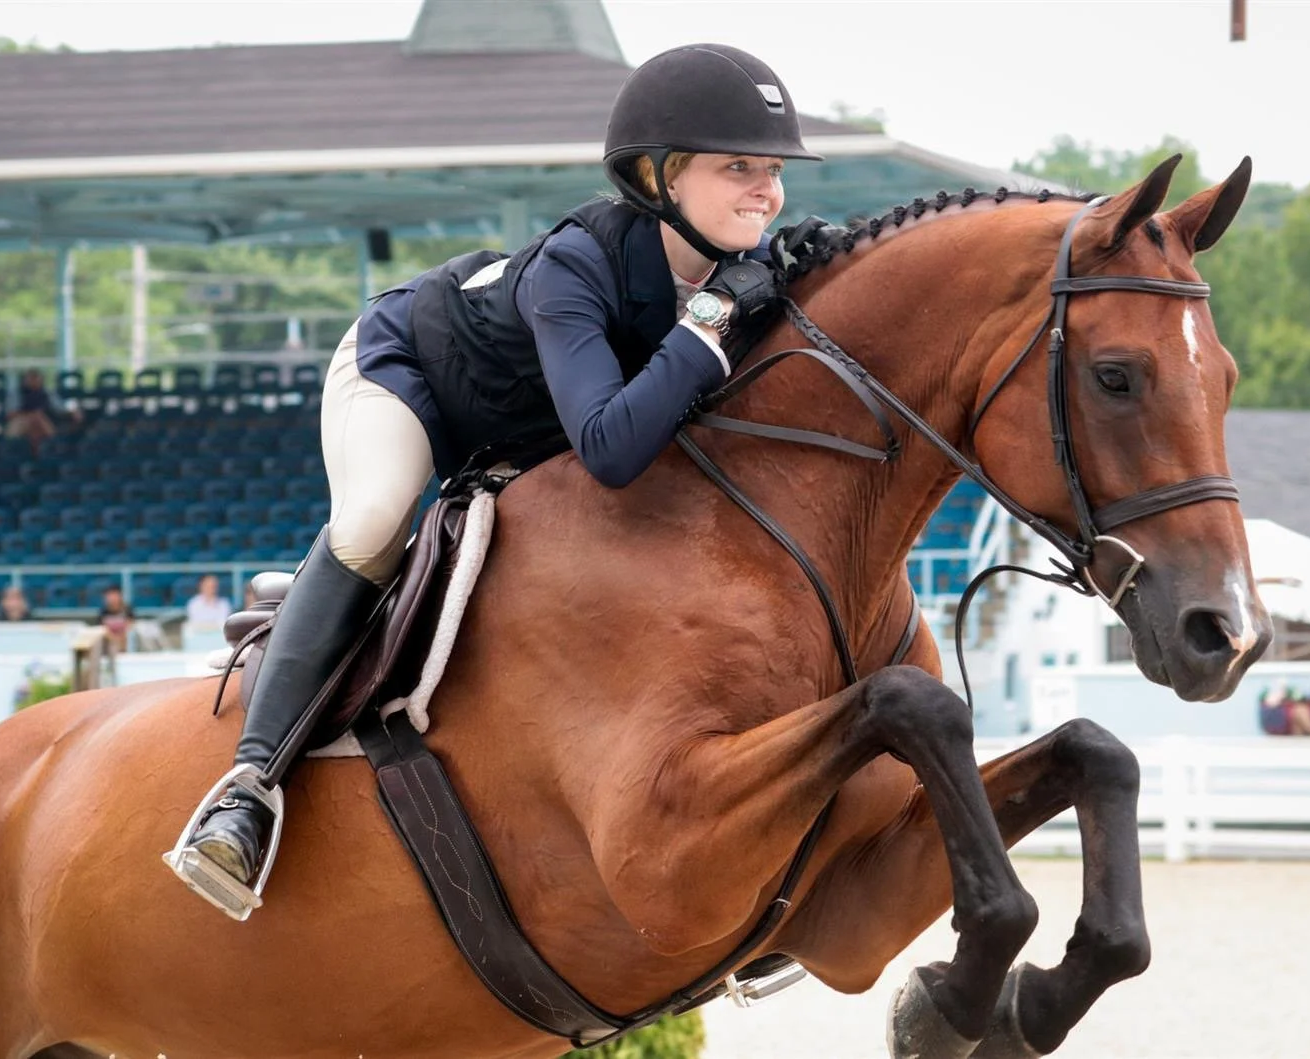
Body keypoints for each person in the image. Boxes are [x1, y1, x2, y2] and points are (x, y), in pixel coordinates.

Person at [168, 43, 827, 915]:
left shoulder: (744, 265)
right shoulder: (575, 265)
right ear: (660, 176)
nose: (766, 191)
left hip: (526, 430)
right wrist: (712, 317)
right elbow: (611, 448)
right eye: (738, 167)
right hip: (408, 372)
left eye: (773, 171)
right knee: (373, 522)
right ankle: (247, 791)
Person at [5, 368, 80, 455]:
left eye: (36, 378)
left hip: (44, 423)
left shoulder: (48, 393)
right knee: (34, 419)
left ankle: (46, 451)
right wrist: (31, 415)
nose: (34, 381)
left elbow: (60, 409)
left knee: (39, 421)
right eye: (31, 378)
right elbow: (10, 414)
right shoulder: (17, 394)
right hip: (21, 423)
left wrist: (73, 412)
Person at [95, 585, 136, 653]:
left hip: (125, 641)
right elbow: (102, 629)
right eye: (109, 596)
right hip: (109, 642)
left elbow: (131, 626)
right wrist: (113, 638)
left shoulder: (127, 610)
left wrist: (121, 637)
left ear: (120, 596)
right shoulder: (103, 612)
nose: (112, 598)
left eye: (114, 595)